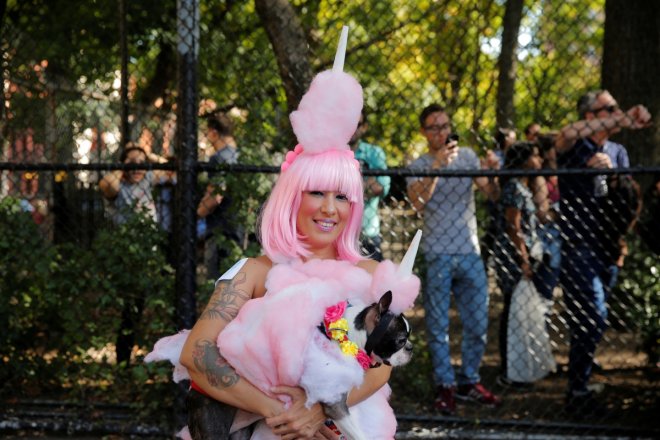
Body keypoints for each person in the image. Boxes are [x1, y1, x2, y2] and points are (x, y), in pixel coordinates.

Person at [150, 28, 418, 439]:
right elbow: (197, 353)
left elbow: (380, 368)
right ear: (293, 197)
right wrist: (285, 411)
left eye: (342, 197)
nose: (330, 208)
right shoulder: (254, 272)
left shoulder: (370, 276)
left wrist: (323, 413)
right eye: (317, 192)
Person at [555, 89, 651, 416]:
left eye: (617, 106)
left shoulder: (618, 151)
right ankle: (577, 388)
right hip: (578, 247)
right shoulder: (574, 146)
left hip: (609, 248)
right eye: (608, 108)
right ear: (591, 116)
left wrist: (612, 174)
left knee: (590, 322)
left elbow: (628, 201)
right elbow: (566, 133)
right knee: (593, 316)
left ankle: (578, 388)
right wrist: (625, 118)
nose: (616, 111)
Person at [407, 103, 501, 415]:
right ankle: (445, 386)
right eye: (434, 127)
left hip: (470, 251)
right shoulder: (419, 163)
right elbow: (417, 203)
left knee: (477, 323)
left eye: (445, 126)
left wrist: (491, 173)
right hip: (437, 252)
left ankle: (469, 382)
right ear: (424, 132)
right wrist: (437, 165)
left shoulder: (469, 156)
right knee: (438, 325)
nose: (441, 132)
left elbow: (491, 194)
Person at [493, 142, 553, 386]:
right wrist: (524, 259)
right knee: (512, 310)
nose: (539, 160)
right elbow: (513, 226)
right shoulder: (515, 189)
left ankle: (519, 365)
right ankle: (510, 368)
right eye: (535, 156)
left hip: (522, 255)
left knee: (519, 311)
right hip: (513, 258)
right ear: (524, 160)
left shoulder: (523, 186)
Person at [197, 113, 241, 281]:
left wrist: (197, 213)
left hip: (218, 227)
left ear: (213, 132)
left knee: (216, 282)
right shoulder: (240, 155)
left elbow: (216, 195)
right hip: (237, 225)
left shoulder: (218, 158)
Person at [349, 109, 390, 261]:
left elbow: (380, 187)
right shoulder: (332, 152)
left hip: (368, 233)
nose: (352, 128)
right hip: (337, 234)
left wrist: (345, 186)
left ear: (364, 127)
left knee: (374, 283)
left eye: (357, 124)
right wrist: (366, 181)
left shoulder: (374, 153)